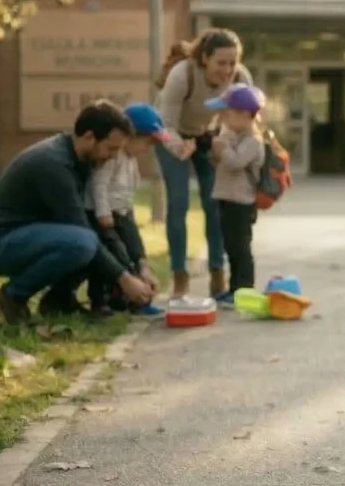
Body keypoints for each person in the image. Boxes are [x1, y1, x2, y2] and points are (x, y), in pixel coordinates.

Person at [0, 101, 158, 324]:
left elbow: (120, 214)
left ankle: (59, 300)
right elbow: (81, 229)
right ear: (90, 137)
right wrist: (125, 280)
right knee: (83, 242)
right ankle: (11, 297)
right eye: (111, 148)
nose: (113, 157)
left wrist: (141, 264)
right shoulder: (54, 164)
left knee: (91, 236)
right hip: (0, 243)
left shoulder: (83, 159)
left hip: (37, 235)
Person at [155, 28, 255, 298]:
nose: (227, 70)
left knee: (215, 204)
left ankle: (217, 275)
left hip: (208, 137)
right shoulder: (182, 75)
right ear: (204, 59)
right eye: (221, 63)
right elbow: (165, 125)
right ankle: (180, 277)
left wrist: (224, 144)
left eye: (232, 62)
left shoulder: (240, 78)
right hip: (172, 137)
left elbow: (249, 120)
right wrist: (179, 146)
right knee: (179, 203)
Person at [83, 102, 172, 319]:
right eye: (147, 142)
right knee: (114, 256)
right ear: (130, 136)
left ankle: (126, 297)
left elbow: (127, 189)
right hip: (104, 215)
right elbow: (99, 184)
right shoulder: (112, 157)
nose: (148, 148)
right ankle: (100, 301)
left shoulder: (130, 160)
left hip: (121, 213)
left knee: (134, 252)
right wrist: (103, 212)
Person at [205, 83, 267, 309]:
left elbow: (235, 162)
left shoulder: (253, 140)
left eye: (226, 113)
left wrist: (222, 148)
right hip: (225, 197)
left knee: (241, 247)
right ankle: (234, 289)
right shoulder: (232, 134)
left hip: (241, 202)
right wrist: (218, 149)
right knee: (230, 246)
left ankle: (245, 288)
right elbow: (219, 161)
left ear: (244, 115)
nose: (222, 118)